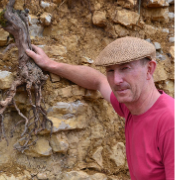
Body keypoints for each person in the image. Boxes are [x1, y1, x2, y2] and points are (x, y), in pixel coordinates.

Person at [26, 36, 174, 180]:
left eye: (125, 68)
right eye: (110, 71)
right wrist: (50, 64)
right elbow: (97, 80)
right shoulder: (130, 105)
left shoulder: (169, 122)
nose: (116, 80)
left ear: (149, 69)